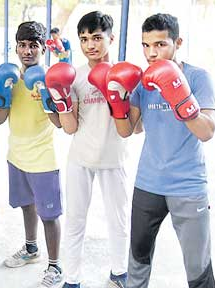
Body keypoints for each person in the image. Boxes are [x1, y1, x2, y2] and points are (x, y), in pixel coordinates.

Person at [110, 13, 215, 288]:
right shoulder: (142, 81)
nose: (152, 53)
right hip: (148, 183)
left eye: (160, 45)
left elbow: (206, 132)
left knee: (198, 266)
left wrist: (180, 95)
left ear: (177, 42)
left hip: (188, 185)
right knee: (138, 258)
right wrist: (117, 103)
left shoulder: (197, 77)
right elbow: (128, 130)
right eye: (146, 45)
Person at [50, 11, 129, 288]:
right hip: (80, 158)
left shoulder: (124, 74)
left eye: (97, 38)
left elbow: (133, 126)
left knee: (118, 221)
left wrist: (117, 99)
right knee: (75, 221)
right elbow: (69, 128)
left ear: (111, 38)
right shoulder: (74, 76)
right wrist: (60, 101)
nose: (90, 45)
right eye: (84, 39)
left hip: (114, 157)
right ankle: (72, 279)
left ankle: (119, 273)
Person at [0, 21, 64, 288]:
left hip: (44, 158)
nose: (27, 51)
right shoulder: (9, 78)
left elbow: (59, 123)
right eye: (22, 45)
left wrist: (46, 95)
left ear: (43, 48)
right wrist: (3, 94)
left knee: (49, 214)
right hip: (17, 155)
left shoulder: (49, 79)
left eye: (33, 46)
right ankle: (31, 249)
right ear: (15, 48)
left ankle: (55, 266)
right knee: (27, 205)